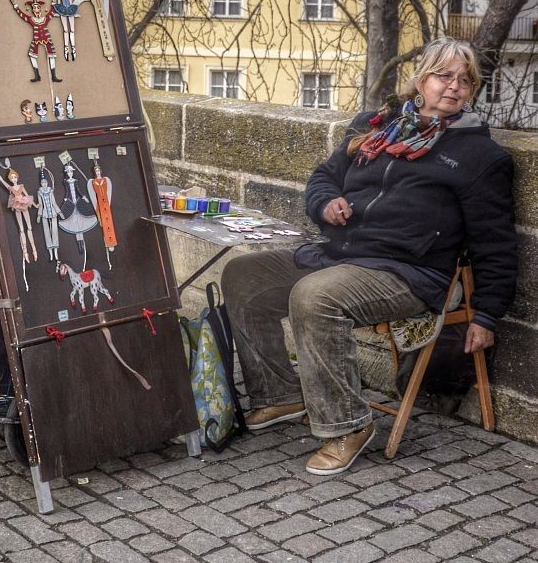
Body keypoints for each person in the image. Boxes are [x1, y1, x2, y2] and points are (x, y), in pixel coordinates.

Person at [221, 38, 517, 478]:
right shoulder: (375, 126)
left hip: (408, 272)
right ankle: (280, 394)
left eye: (465, 80)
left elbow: (495, 241)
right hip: (340, 254)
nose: (454, 86)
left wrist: (487, 314)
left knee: (315, 296)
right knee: (244, 274)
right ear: (421, 79)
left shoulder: (480, 156)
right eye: (444, 75)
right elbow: (324, 177)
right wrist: (325, 204)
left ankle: (348, 426)